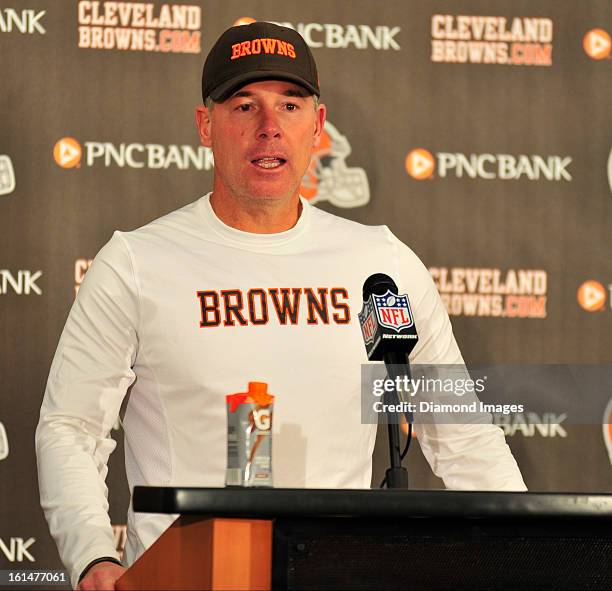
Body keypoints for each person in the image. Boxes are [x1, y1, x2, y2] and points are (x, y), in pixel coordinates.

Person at [36, 21, 526, 591]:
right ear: (205, 126)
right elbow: (70, 427)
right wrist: (95, 558)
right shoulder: (136, 264)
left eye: (290, 106)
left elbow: (464, 434)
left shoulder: (379, 263)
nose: (270, 129)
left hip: (339, 579)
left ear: (317, 126)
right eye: (244, 106)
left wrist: (523, 556)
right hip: (189, 582)